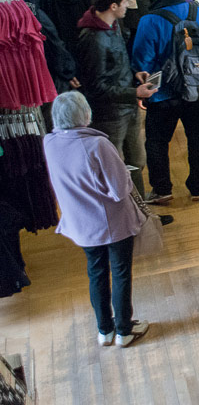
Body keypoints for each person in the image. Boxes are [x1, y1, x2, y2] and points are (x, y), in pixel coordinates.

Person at [42, 91, 150, 348]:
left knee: (96, 272)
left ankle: (105, 330)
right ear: (85, 114)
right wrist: (124, 171)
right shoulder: (98, 145)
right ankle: (124, 330)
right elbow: (118, 190)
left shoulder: (49, 142)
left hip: (81, 224)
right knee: (121, 272)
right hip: (113, 223)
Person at [132, 0, 199, 205]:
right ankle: (197, 187)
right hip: (198, 91)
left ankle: (162, 190)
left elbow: (142, 62)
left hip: (163, 95)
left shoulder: (149, 20)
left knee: (157, 142)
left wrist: (146, 90)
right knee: (197, 138)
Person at [75, 0, 159, 205]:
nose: (127, 5)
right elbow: (96, 87)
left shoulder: (113, 26)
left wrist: (135, 74)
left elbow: (117, 64)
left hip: (127, 108)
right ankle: (126, 215)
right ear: (112, 6)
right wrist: (135, 93)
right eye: (124, 2)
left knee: (137, 161)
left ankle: (141, 212)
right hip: (110, 116)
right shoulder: (93, 39)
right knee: (116, 167)